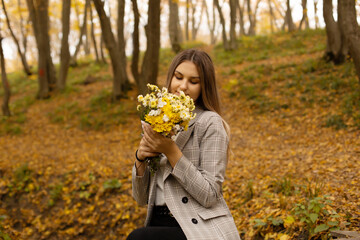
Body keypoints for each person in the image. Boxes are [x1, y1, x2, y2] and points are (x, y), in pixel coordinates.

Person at [127, 49, 240, 240]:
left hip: (197, 226)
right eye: (178, 77)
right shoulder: (158, 117)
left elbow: (210, 195)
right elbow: (140, 198)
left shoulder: (210, 122)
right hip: (158, 222)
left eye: (193, 81)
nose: (183, 86)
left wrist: (171, 151)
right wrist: (140, 159)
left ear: (204, 86)